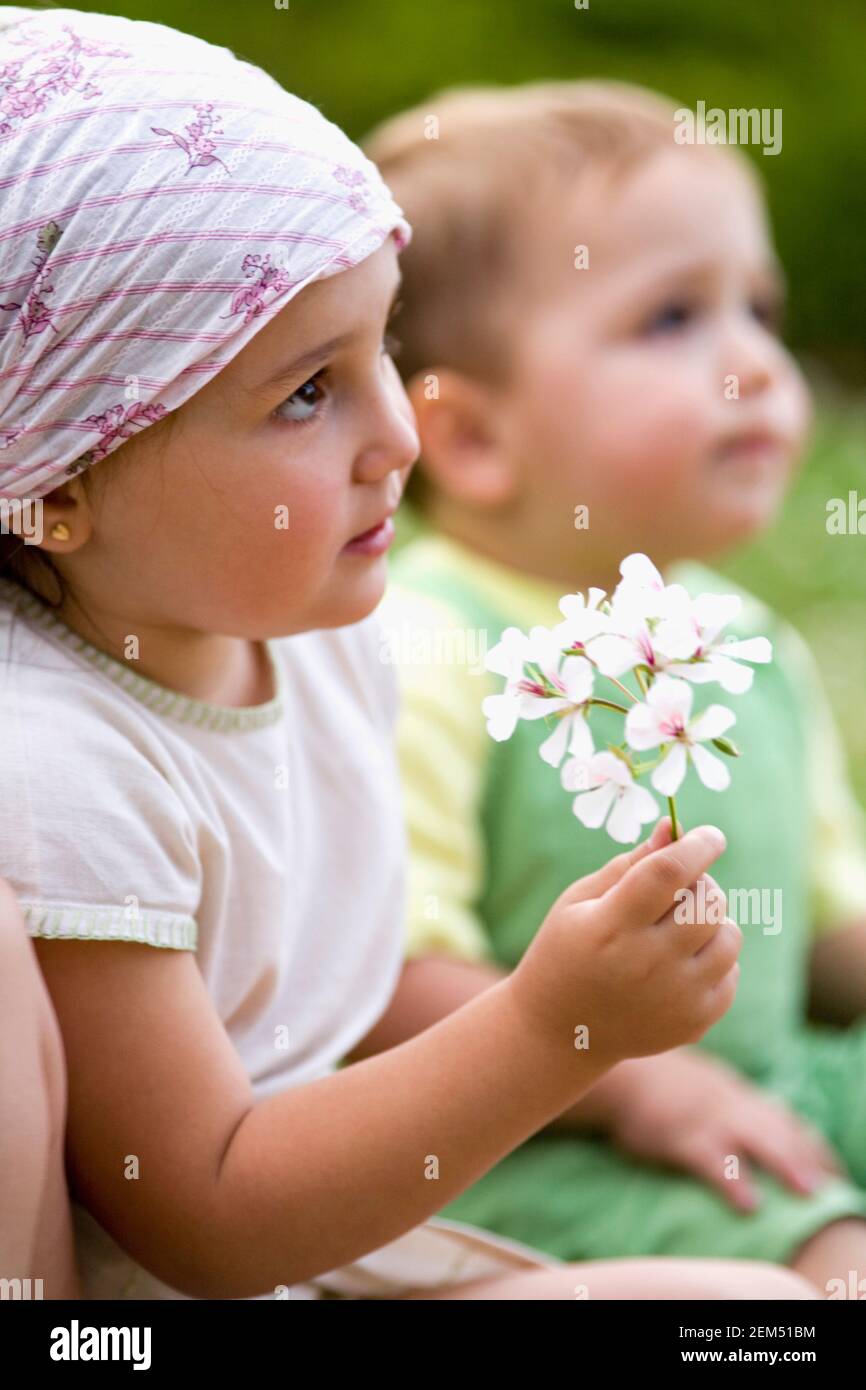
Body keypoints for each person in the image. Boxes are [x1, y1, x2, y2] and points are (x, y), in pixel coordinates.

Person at [0, 9, 816, 1302]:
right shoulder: (60, 766)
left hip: (350, 1250)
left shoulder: (325, 641)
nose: (400, 432)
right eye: (305, 392)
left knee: (761, 1316)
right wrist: (562, 1026)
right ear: (54, 493)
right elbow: (210, 1214)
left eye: (381, 344)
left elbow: (339, 990)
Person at [364, 80, 866, 1296]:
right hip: (539, 1142)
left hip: (754, 1104)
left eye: (757, 308)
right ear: (472, 437)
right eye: (670, 320)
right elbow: (379, 975)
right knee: (833, 1261)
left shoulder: (741, 637)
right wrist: (631, 1079)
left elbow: (817, 931)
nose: (751, 362)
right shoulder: (425, 643)